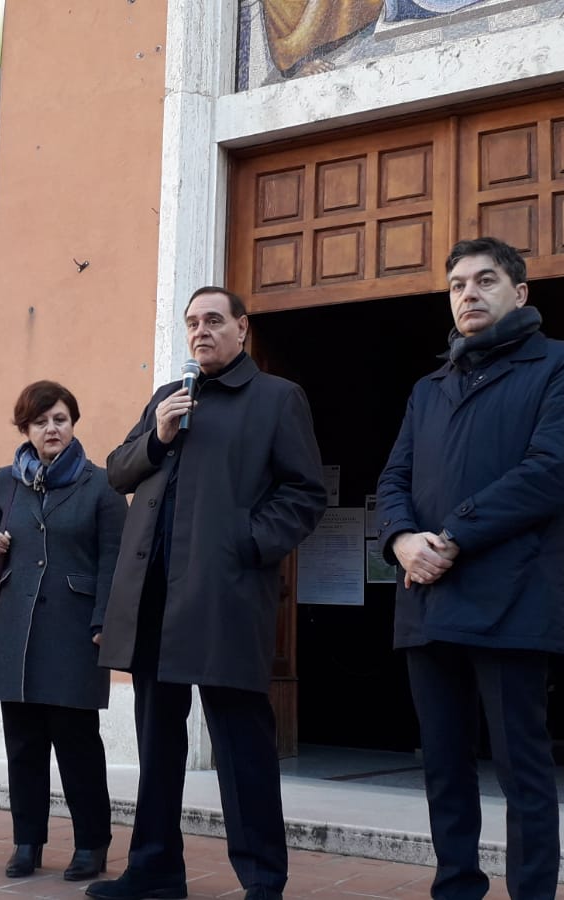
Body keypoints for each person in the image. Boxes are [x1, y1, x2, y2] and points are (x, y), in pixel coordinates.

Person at [375, 237, 564, 900]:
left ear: (520, 293)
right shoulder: (428, 388)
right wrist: (400, 541)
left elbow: (552, 474)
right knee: (443, 769)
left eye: (484, 281)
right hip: (426, 599)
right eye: (456, 285)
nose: (467, 294)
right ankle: (456, 889)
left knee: (521, 770)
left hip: (515, 601)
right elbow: (394, 477)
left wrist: (447, 537)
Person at [90, 287, 328, 900]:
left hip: (223, 598)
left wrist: (244, 544)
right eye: (192, 322)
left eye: (214, 321)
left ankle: (261, 881)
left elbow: (304, 494)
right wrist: (159, 437)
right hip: (151, 601)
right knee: (158, 749)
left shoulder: (277, 399)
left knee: (242, 748)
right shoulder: (167, 399)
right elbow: (117, 471)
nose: (201, 331)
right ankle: (155, 870)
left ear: (242, 329)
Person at [0, 380, 127, 882]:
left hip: (76, 630)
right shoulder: (5, 479)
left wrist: (105, 622)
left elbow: (114, 563)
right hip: (16, 628)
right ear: (26, 429)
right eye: (40, 422)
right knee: (23, 746)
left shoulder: (101, 484)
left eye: (60, 418)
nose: (51, 428)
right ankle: (27, 842)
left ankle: (92, 845)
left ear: (73, 423)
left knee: (78, 745)